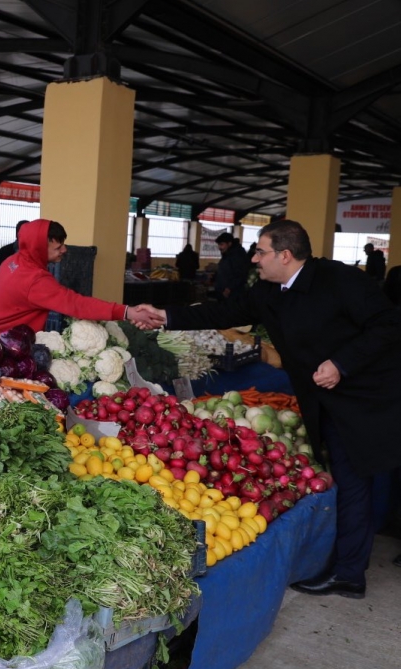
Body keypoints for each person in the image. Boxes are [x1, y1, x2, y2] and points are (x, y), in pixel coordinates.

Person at [132, 219, 401, 599]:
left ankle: (349, 574)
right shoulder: (270, 290)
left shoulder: (339, 280)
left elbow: (389, 324)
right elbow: (222, 313)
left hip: (363, 396)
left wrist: (341, 364)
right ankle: (351, 562)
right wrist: (167, 316)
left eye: (261, 251)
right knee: (349, 476)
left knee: (355, 478)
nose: (255, 259)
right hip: (321, 397)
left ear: (285, 255)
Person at [0, 218, 149, 337]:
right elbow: (76, 304)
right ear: (39, 250)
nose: (64, 250)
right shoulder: (35, 280)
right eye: (58, 248)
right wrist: (127, 311)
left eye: (63, 244)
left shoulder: (14, 260)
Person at [212, 232, 250, 299]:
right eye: (218, 245)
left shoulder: (237, 255)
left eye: (221, 244)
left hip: (232, 294)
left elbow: (240, 274)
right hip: (225, 292)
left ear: (229, 244)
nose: (219, 247)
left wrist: (229, 288)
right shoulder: (227, 255)